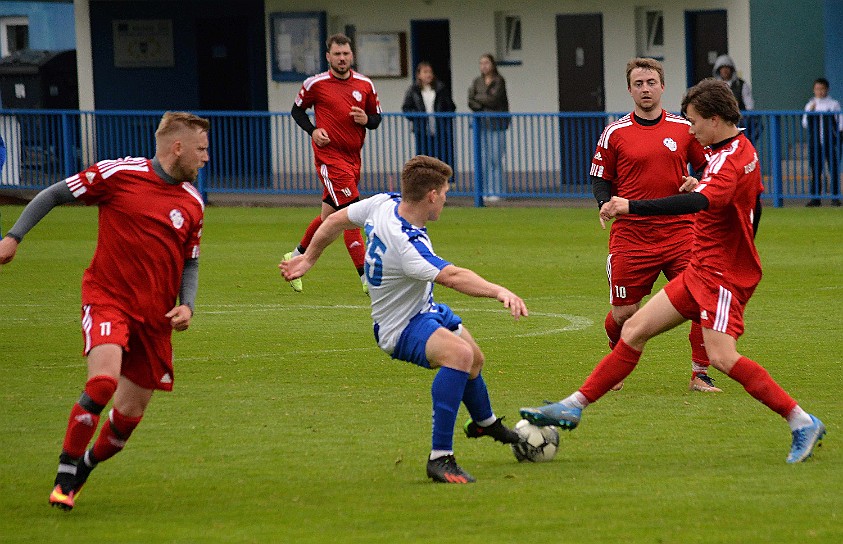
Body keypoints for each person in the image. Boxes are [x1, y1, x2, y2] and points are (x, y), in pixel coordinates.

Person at [520, 80, 826, 464]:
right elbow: (750, 203)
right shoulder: (736, 149)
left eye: (695, 122)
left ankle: (801, 420)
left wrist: (630, 206)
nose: (691, 129)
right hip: (702, 269)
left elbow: (698, 201)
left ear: (715, 120)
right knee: (633, 329)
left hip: (721, 278)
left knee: (722, 357)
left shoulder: (730, 159)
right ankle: (573, 405)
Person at [0, 111, 209, 510]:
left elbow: (192, 261)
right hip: (108, 300)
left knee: (128, 417)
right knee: (102, 383)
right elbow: (54, 194)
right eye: (200, 149)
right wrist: (14, 237)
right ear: (177, 147)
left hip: (155, 320)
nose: (205, 157)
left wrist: (188, 305)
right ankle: (65, 473)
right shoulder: (118, 174)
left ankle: (84, 469)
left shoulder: (193, 203)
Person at [281, 155, 529, 483]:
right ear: (432, 196)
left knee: (475, 360)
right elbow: (454, 277)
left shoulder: (383, 203)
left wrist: (308, 259)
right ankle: (440, 458)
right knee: (460, 356)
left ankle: (484, 423)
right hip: (400, 326)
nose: (446, 199)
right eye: (445, 193)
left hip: (423, 309)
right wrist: (500, 291)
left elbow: (334, 221)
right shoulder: (409, 246)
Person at [591, 58, 717, 393]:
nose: (645, 89)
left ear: (662, 86)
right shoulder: (614, 132)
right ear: (629, 89)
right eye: (638, 84)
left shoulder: (683, 128)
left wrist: (696, 180)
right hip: (632, 236)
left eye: (651, 83)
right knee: (624, 313)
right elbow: (600, 177)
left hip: (681, 232)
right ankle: (615, 361)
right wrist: (604, 204)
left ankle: (700, 374)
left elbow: (710, 167)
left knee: (702, 300)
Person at [284, 33, 382, 294]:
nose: (342, 58)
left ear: (352, 56)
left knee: (328, 217)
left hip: (353, 160)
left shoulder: (365, 85)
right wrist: (313, 130)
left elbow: (376, 119)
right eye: (337, 54)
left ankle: (293, 257)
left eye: (346, 54)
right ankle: (367, 279)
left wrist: (366, 119)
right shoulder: (315, 84)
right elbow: (296, 111)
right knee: (351, 215)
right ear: (328, 56)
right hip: (329, 159)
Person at [468, 53, 509, 203]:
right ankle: (485, 190)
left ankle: (497, 190)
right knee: (483, 158)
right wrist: (481, 100)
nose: (484, 66)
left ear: (492, 64)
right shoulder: (477, 81)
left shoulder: (499, 80)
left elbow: (494, 100)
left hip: (496, 123)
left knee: (495, 158)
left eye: (486, 63)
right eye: (481, 63)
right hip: (481, 124)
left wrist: (479, 98)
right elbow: (470, 100)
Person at [402, 61, 457, 170]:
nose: (428, 75)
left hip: (439, 128)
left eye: (430, 72)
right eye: (425, 72)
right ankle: (425, 183)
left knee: (442, 157)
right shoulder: (413, 90)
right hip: (422, 129)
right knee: (424, 158)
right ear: (419, 75)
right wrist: (418, 116)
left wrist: (444, 118)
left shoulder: (441, 88)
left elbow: (451, 106)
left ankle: (443, 182)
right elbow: (406, 108)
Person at [802, 78, 842, 207]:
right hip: (815, 142)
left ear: (827, 89)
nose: (820, 92)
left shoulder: (833, 104)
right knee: (816, 170)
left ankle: (835, 197)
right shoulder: (810, 105)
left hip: (830, 142)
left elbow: (840, 122)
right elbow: (804, 123)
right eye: (817, 89)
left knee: (833, 169)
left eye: (822, 89)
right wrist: (811, 112)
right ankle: (815, 198)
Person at [712, 54, 758, 141]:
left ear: (732, 69)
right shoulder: (714, 86)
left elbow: (749, 106)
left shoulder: (741, 85)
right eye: (722, 68)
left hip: (739, 124)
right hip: (719, 125)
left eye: (727, 67)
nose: (725, 70)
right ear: (718, 70)